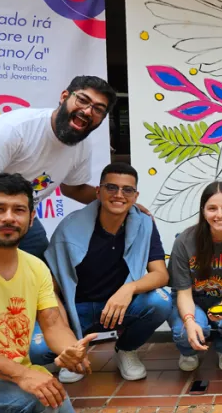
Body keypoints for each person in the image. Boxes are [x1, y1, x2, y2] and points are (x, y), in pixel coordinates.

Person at [0, 174, 97, 413]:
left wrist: (70, 349)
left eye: (18, 210)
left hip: (6, 379)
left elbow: (53, 324)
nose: (9, 218)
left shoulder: (35, 266)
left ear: (31, 219)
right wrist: (23, 376)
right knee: (36, 402)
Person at [29, 163, 171, 384]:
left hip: (118, 307)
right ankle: (71, 354)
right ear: (98, 191)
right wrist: (65, 337)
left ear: (135, 196)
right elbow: (51, 288)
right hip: (76, 310)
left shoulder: (144, 224)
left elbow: (161, 274)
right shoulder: (70, 226)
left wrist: (129, 288)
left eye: (127, 190)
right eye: (111, 187)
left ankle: (126, 349)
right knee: (37, 350)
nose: (119, 195)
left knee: (160, 301)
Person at [0, 76, 119, 260]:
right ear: (64, 97)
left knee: (43, 267)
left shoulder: (82, 145)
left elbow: (73, 189)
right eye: (82, 100)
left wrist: (116, 199)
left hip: (24, 215)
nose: (87, 111)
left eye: (98, 109)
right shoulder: (16, 127)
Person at [169, 182, 222, 372]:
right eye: (212, 208)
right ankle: (188, 352)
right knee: (186, 329)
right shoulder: (184, 241)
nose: (220, 215)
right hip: (190, 298)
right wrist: (189, 321)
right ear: (203, 211)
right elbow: (183, 292)